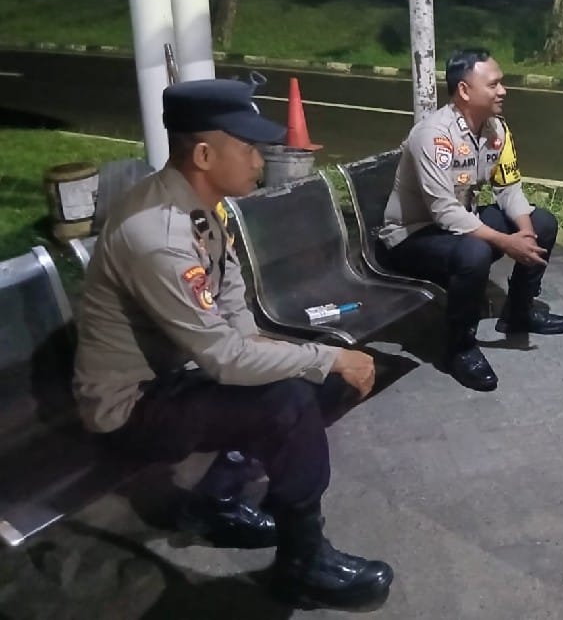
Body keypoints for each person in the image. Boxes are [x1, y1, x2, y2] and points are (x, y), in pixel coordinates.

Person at [73, 78, 393, 609]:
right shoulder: (160, 234)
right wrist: (328, 357)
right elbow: (225, 358)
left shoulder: (202, 208)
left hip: (181, 376)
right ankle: (303, 562)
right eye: (247, 148)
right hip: (131, 407)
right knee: (290, 399)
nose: (259, 161)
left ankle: (215, 499)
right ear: (203, 155)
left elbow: (236, 321)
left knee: (320, 381)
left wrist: (310, 360)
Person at [379, 48, 563, 392]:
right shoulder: (434, 136)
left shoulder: (495, 129)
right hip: (412, 236)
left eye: (501, 83)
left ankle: (518, 312)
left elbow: (508, 188)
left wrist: (525, 235)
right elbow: (443, 210)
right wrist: (506, 242)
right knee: (475, 252)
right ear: (465, 91)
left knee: (542, 223)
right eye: (493, 84)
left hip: (459, 224)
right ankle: (459, 347)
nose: (503, 91)